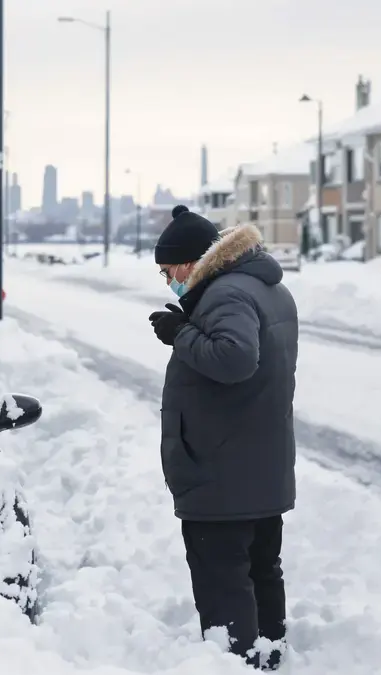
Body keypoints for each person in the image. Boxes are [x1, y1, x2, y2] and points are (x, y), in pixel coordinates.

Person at [148, 205, 298, 671]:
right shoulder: (264, 287)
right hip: (257, 467)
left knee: (224, 583)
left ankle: (237, 664)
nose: (166, 279)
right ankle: (268, 660)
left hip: (222, 475)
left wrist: (180, 335)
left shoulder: (226, 295)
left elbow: (234, 360)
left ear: (192, 262)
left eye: (167, 270)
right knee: (260, 574)